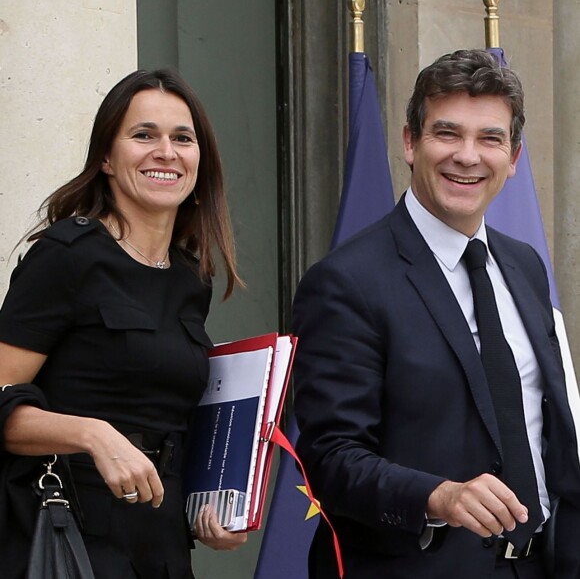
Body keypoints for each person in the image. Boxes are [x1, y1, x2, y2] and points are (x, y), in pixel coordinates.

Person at [292, 49, 580, 578]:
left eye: (490, 138)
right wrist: (439, 496)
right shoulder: (346, 282)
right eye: (447, 134)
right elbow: (330, 457)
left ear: (513, 157)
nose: (468, 156)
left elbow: (549, 431)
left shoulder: (525, 265)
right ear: (410, 142)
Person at [0, 68, 247, 579]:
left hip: (159, 545)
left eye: (183, 138)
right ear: (107, 159)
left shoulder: (188, 278)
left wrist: (214, 507)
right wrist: (93, 435)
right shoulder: (66, 256)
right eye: (144, 135)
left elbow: (162, 417)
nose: (166, 151)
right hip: (64, 539)